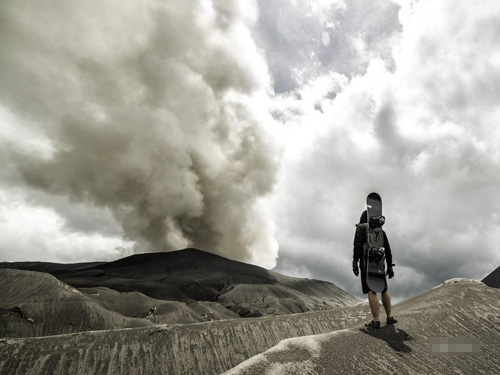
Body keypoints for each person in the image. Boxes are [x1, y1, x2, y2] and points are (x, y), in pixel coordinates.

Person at [352, 210, 397, 328]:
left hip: (366, 263)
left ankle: (376, 320)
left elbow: (357, 246)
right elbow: (387, 249)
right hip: (380, 263)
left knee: (371, 290)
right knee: (384, 289)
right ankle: (390, 317)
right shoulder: (381, 231)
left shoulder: (361, 228)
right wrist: (390, 266)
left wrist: (355, 263)